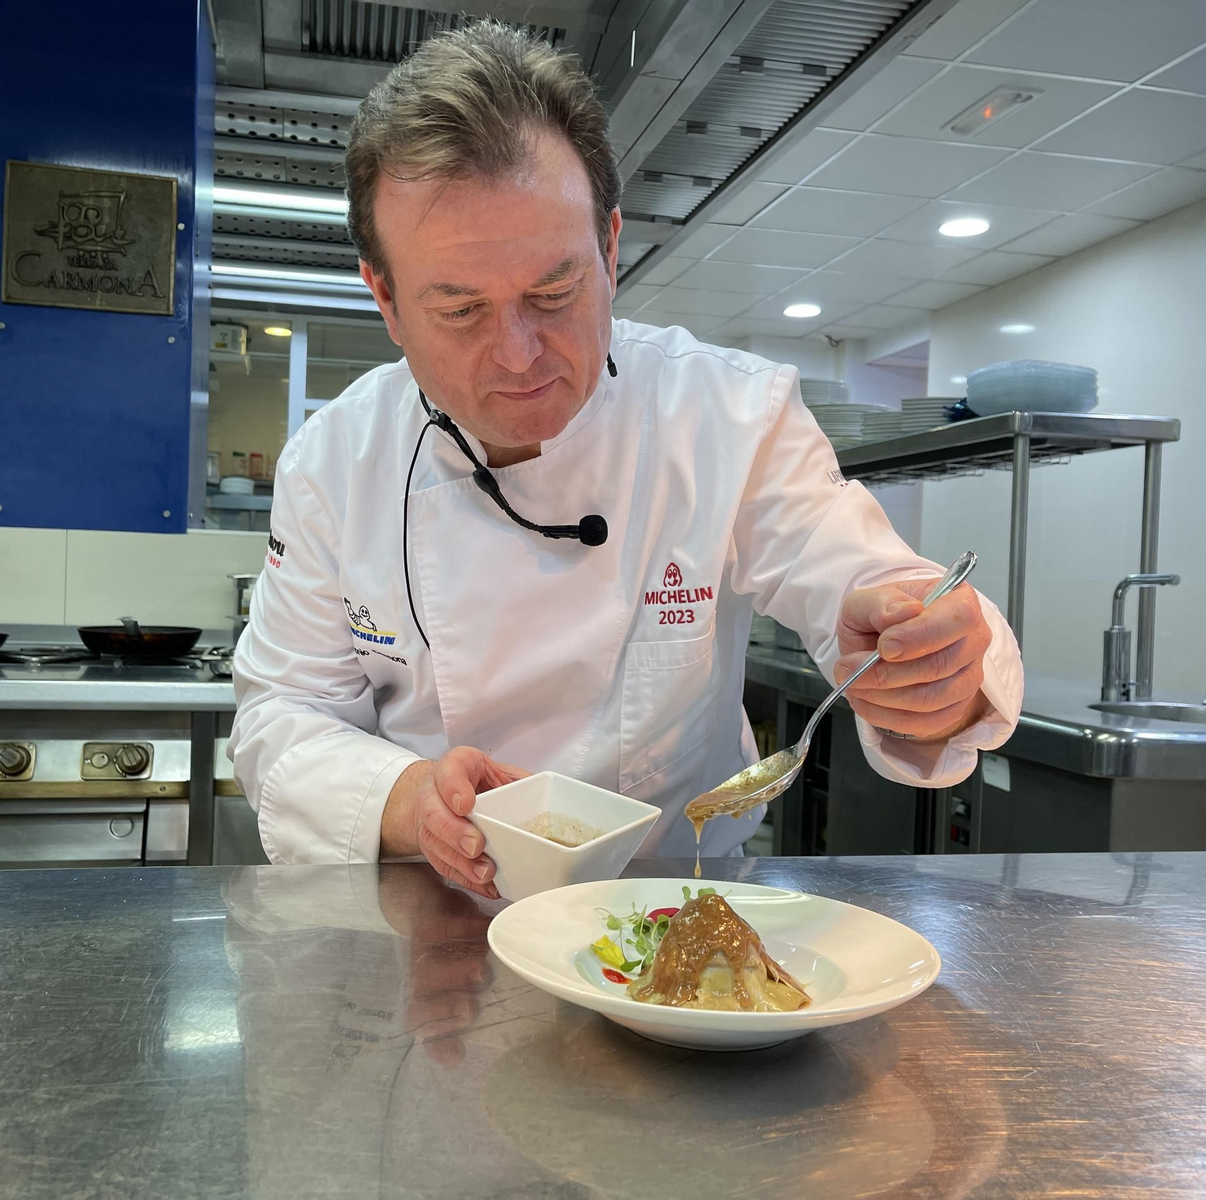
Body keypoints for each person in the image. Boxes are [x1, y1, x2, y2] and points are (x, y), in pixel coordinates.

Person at [230, 21, 1024, 896]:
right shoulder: (334, 464)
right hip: (435, 914)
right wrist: (411, 798)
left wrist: (931, 669)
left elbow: (866, 582)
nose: (519, 354)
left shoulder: (729, 414)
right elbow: (281, 719)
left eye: (554, 291)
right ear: (384, 298)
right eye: (460, 311)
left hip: (673, 912)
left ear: (609, 250)